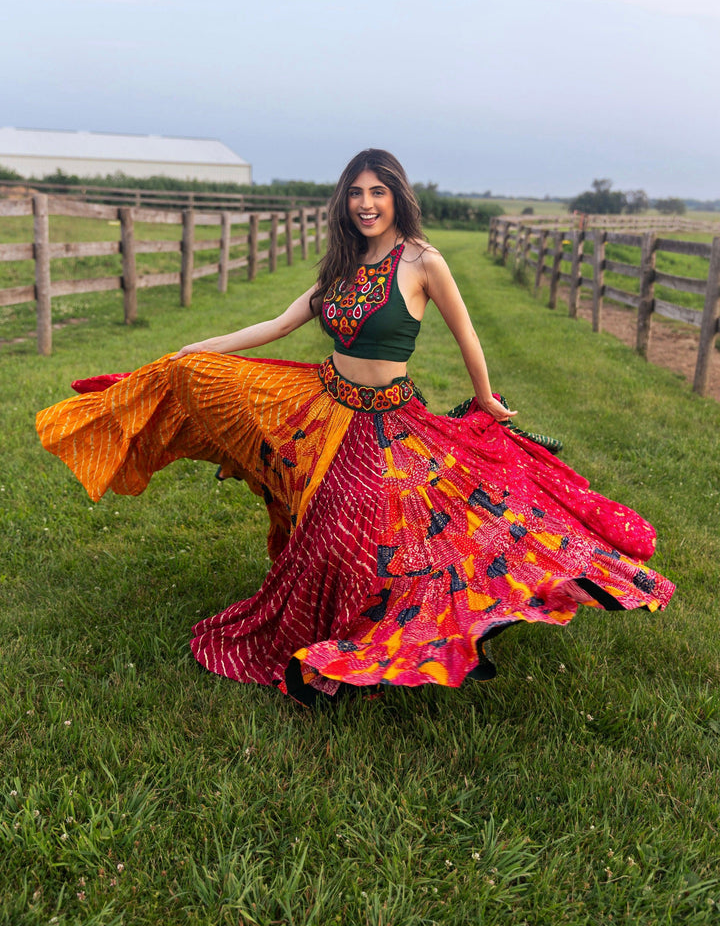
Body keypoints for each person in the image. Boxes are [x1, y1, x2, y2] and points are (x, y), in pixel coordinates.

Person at [36, 148, 674, 705]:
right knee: (327, 525)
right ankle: (326, 625)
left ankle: (392, 628)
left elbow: (467, 334)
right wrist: (200, 349)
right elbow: (278, 325)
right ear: (344, 202)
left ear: (397, 198)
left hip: (388, 420)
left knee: (398, 523)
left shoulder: (423, 261)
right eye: (356, 193)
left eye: (378, 192)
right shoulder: (342, 265)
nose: (367, 203)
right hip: (324, 408)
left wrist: (485, 398)